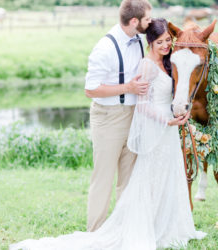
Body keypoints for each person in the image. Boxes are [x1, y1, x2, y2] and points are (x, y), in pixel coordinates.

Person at [9, 18, 206, 250]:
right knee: (150, 177)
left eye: (168, 41)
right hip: (159, 127)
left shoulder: (168, 61)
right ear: (150, 41)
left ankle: (171, 224)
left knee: (170, 175)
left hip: (170, 129)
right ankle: (144, 226)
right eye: (160, 41)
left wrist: (181, 113)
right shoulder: (147, 66)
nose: (165, 45)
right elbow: (142, 106)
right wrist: (167, 120)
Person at [84, 0, 151, 232]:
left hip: (135, 116)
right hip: (109, 117)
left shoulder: (141, 41)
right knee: (103, 178)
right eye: (147, 20)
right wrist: (128, 88)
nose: (149, 23)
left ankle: (123, 230)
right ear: (134, 22)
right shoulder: (105, 47)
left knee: (129, 179)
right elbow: (90, 89)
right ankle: (95, 233)